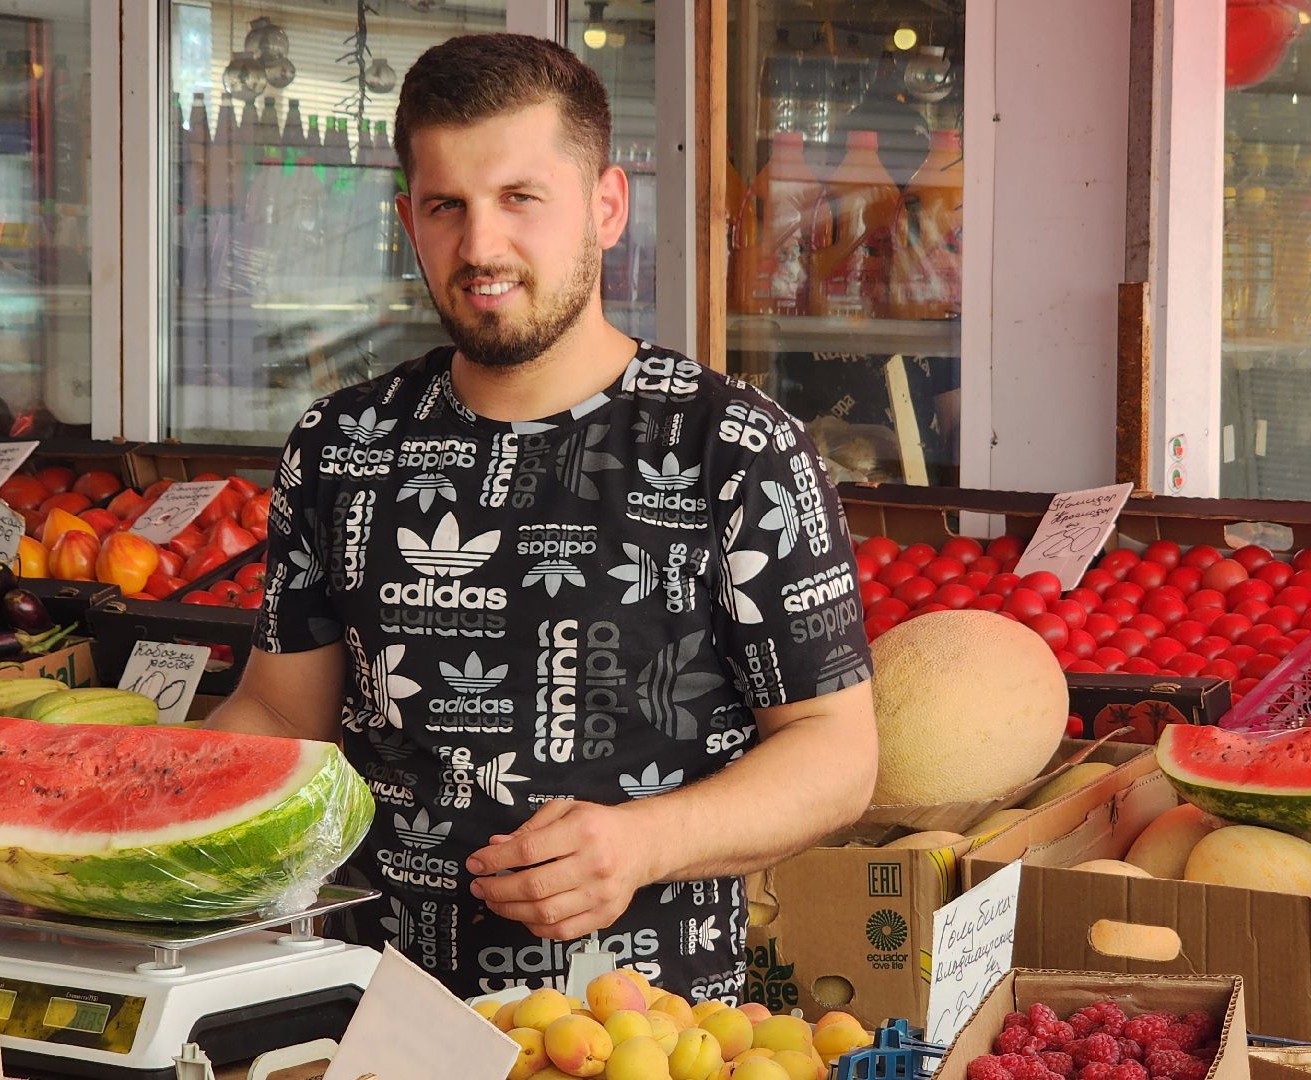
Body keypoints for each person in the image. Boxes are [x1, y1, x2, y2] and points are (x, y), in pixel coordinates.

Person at [207, 33, 877, 1004]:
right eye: (448, 207)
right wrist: (135, 810)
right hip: (369, 1011)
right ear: (408, 220)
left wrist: (645, 841)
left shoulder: (734, 444)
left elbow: (835, 749)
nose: (481, 247)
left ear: (607, 206)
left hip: (646, 1033)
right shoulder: (342, 441)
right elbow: (279, 710)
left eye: (521, 198)